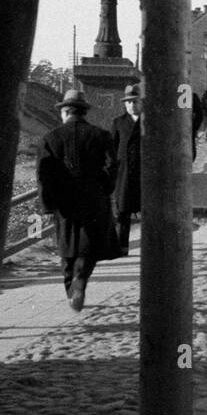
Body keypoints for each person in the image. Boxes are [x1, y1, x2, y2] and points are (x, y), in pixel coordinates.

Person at [36, 89, 117, 312]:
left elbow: (43, 175)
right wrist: (105, 189)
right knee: (88, 247)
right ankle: (80, 282)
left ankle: (71, 287)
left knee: (66, 247)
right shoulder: (100, 135)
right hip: (93, 199)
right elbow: (112, 166)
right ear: (83, 112)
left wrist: (47, 204)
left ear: (64, 112)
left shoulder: (50, 138)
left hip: (63, 202)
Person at [110, 84, 142, 256]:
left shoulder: (149, 122)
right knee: (123, 213)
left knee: (150, 212)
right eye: (128, 102)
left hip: (144, 175)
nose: (131, 105)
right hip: (124, 175)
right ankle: (122, 248)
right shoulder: (118, 123)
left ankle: (154, 248)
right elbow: (112, 151)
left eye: (135, 101)